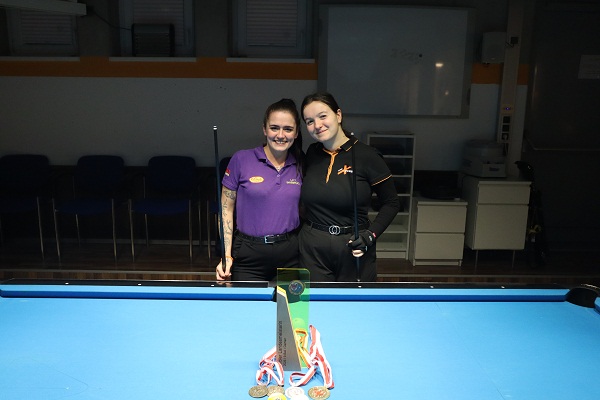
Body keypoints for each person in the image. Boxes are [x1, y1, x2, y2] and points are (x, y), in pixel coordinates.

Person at [299, 92, 400, 282]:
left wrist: (370, 235)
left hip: (354, 247)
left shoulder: (367, 155)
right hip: (312, 250)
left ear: (338, 115)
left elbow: (392, 203)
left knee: (355, 301)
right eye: (309, 121)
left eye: (322, 116)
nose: (317, 125)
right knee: (311, 302)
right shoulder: (312, 153)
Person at [216, 98, 303, 281]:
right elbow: (226, 210)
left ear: (296, 133)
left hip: (291, 256)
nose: (280, 135)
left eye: (288, 129)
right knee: (247, 301)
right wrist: (226, 255)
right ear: (264, 129)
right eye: (274, 128)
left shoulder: (302, 164)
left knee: (293, 301)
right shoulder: (241, 159)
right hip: (248, 257)